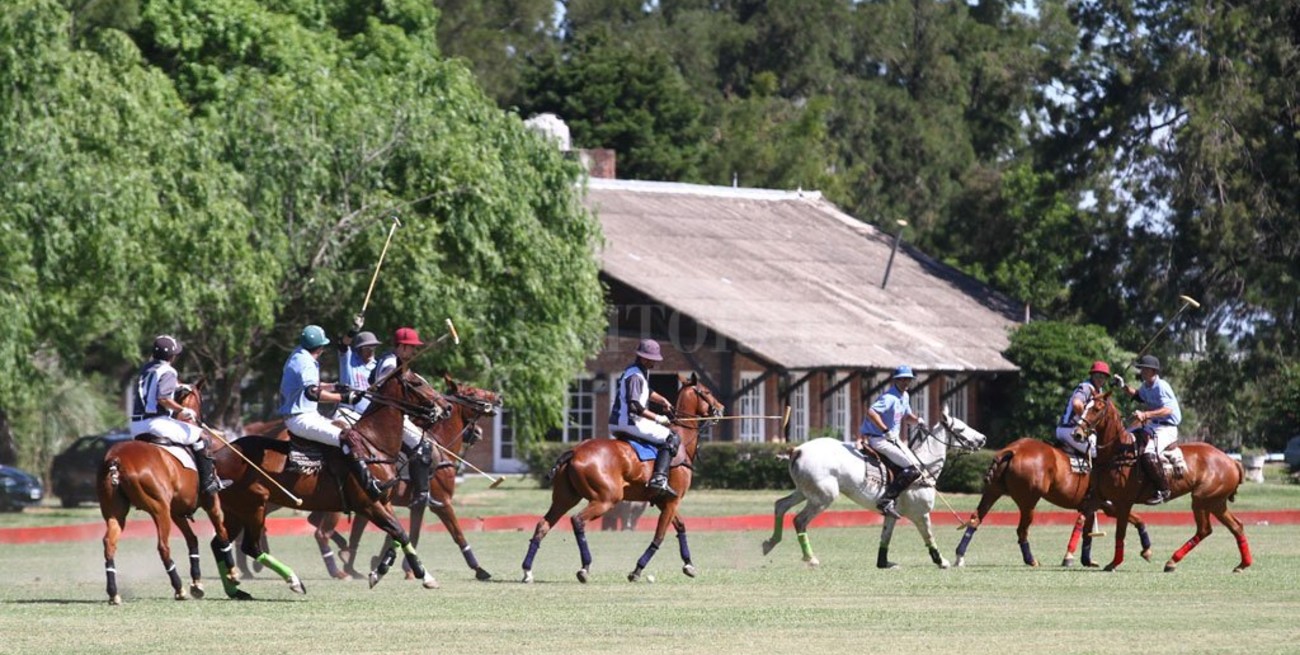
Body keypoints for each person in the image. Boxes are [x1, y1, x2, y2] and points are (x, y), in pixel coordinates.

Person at [280, 324, 381, 500]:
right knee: (348, 438)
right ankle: (368, 485)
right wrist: (343, 398)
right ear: (320, 347)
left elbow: (310, 385)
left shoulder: (298, 354)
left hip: (305, 414)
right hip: (301, 417)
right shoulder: (306, 362)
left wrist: (334, 386)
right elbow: (312, 393)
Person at [129, 335, 222, 496]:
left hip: (135, 426)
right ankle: (208, 483)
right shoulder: (169, 371)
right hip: (156, 423)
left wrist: (179, 386)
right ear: (172, 356)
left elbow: (156, 385)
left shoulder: (146, 368)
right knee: (202, 436)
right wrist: (182, 410)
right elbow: (163, 398)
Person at [370, 326, 435, 508]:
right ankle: (421, 495)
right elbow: (384, 386)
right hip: (387, 417)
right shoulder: (390, 363)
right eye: (412, 347)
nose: (414, 350)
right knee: (422, 445)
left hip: (390, 414)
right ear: (403, 346)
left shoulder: (392, 360)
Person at [608, 339, 679, 499]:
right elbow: (635, 406)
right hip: (629, 422)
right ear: (643, 358)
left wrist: (663, 401)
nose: (655, 362)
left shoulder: (637, 371)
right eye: (652, 359)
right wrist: (658, 418)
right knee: (671, 436)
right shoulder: (635, 376)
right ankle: (659, 478)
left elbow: (647, 390)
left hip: (624, 421)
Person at [860, 366, 924, 519]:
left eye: (908, 379)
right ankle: (885, 501)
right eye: (903, 379)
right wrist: (884, 430)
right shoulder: (889, 397)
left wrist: (916, 420)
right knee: (913, 468)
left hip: (893, 439)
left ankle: (897, 496)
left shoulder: (905, 396)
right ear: (897, 380)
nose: (906, 382)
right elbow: (871, 412)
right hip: (880, 439)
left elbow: (906, 416)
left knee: (917, 467)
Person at [1115, 355, 1181, 504]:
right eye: (1141, 368)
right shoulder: (1146, 386)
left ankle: (1163, 490)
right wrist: (1123, 386)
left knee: (1148, 454)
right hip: (1153, 425)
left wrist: (1145, 414)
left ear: (1152, 371)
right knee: (1124, 438)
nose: (1141, 371)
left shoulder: (1161, 386)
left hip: (1167, 427)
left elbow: (1168, 410)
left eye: (1144, 369)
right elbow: (1138, 396)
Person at [1054, 361, 1111, 459]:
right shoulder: (1086, 387)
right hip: (1070, 429)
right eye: (1097, 376)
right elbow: (1076, 404)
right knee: (1099, 453)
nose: (1100, 379)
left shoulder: (1099, 391)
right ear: (1092, 375)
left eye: (1103, 377)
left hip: (1076, 429)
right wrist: (1088, 422)